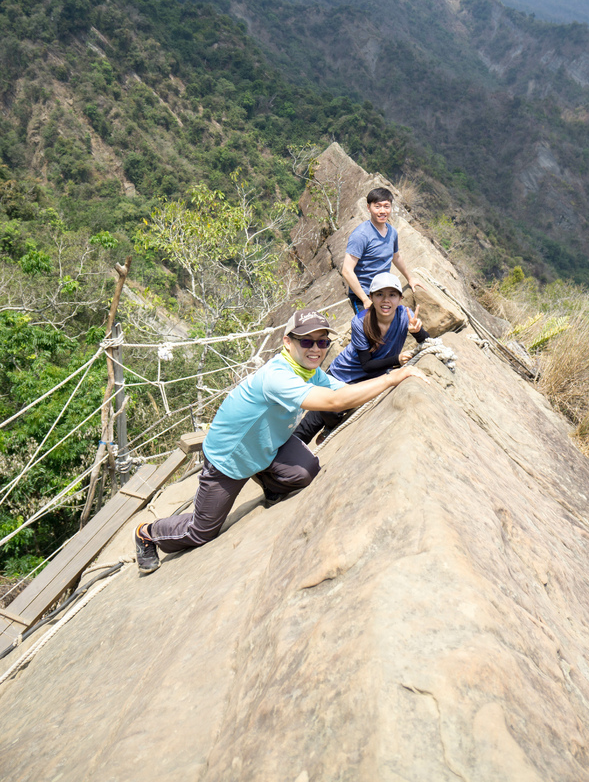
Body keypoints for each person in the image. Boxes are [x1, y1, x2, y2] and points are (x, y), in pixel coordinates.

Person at [134, 308, 428, 574]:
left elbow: (341, 390)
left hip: (268, 445)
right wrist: (392, 379)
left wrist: (393, 376)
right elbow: (334, 400)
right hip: (230, 457)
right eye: (307, 341)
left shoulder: (309, 372)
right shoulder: (278, 376)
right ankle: (148, 533)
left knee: (305, 471)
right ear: (288, 342)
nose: (316, 349)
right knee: (202, 531)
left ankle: (269, 480)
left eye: (323, 342)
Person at [292, 273, 430, 446]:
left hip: (370, 378)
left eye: (392, 295)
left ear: (400, 298)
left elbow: (428, 342)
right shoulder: (360, 321)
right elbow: (367, 365)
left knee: (330, 411)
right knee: (311, 423)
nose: (386, 300)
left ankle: (329, 428)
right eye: (380, 294)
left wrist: (418, 332)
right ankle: (281, 461)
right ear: (371, 297)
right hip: (342, 375)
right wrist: (397, 359)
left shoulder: (405, 316)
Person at [342, 186, 420, 313]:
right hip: (363, 295)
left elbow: (396, 257)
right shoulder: (361, 235)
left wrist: (410, 278)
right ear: (368, 208)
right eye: (377, 206)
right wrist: (365, 299)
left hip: (383, 291)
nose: (382, 211)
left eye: (386, 206)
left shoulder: (392, 232)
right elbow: (347, 270)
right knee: (368, 330)